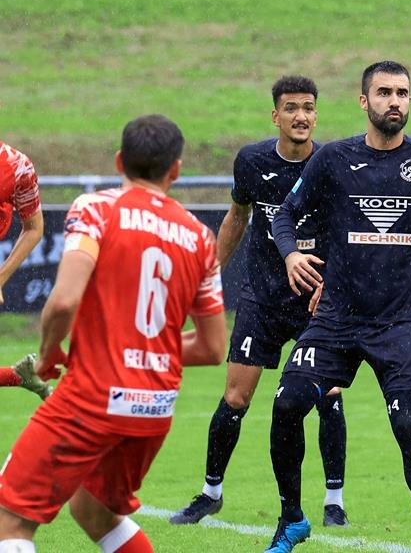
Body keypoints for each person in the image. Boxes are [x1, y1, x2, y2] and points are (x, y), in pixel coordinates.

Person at [265, 61, 411, 553]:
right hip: (335, 317)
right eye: (384, 92)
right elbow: (286, 214)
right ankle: (291, 518)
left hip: (399, 322)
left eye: (402, 92)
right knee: (287, 404)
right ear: (364, 102)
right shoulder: (333, 159)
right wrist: (292, 253)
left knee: (407, 425)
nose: (394, 101)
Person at [0, 115, 228, 553]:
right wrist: (144, 353)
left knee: (11, 520)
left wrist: (49, 352)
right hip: (154, 408)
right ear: (175, 170)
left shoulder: (96, 209)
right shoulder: (200, 238)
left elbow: (63, 302)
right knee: (95, 511)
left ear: (120, 161)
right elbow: (214, 347)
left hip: (91, 398)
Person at [170, 76, 350, 528]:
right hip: (263, 297)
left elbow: (348, 236)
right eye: (291, 108)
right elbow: (237, 216)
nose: (301, 116)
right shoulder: (251, 161)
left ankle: (334, 501)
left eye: (309, 107)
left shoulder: (331, 163)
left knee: (328, 394)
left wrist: (334, 285)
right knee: (236, 396)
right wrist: (203, 274)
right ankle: (210, 492)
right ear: (276, 116)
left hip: (315, 299)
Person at [0, 141, 52, 400]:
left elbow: (34, 227)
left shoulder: (16, 166)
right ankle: (19, 376)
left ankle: (19, 376)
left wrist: (0, 279)